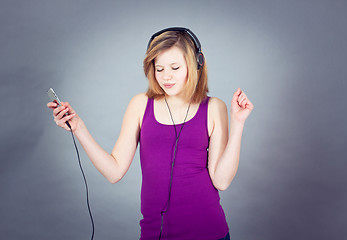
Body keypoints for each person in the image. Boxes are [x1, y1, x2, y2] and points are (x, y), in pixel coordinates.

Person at [47, 27, 254, 240]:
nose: (167, 77)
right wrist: (79, 127)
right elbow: (113, 172)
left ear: (196, 64)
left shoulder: (214, 107)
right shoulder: (140, 105)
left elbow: (221, 181)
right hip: (156, 233)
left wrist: (238, 123)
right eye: (159, 68)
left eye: (175, 67)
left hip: (209, 232)